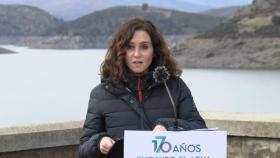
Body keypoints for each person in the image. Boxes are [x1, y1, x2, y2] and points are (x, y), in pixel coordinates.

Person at [79, 18, 207, 158]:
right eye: (130, 47)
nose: (137, 54)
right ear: (120, 51)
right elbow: (84, 149)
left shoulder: (175, 87)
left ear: (155, 50)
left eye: (144, 46)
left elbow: (200, 129)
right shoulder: (101, 93)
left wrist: (168, 126)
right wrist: (99, 143)